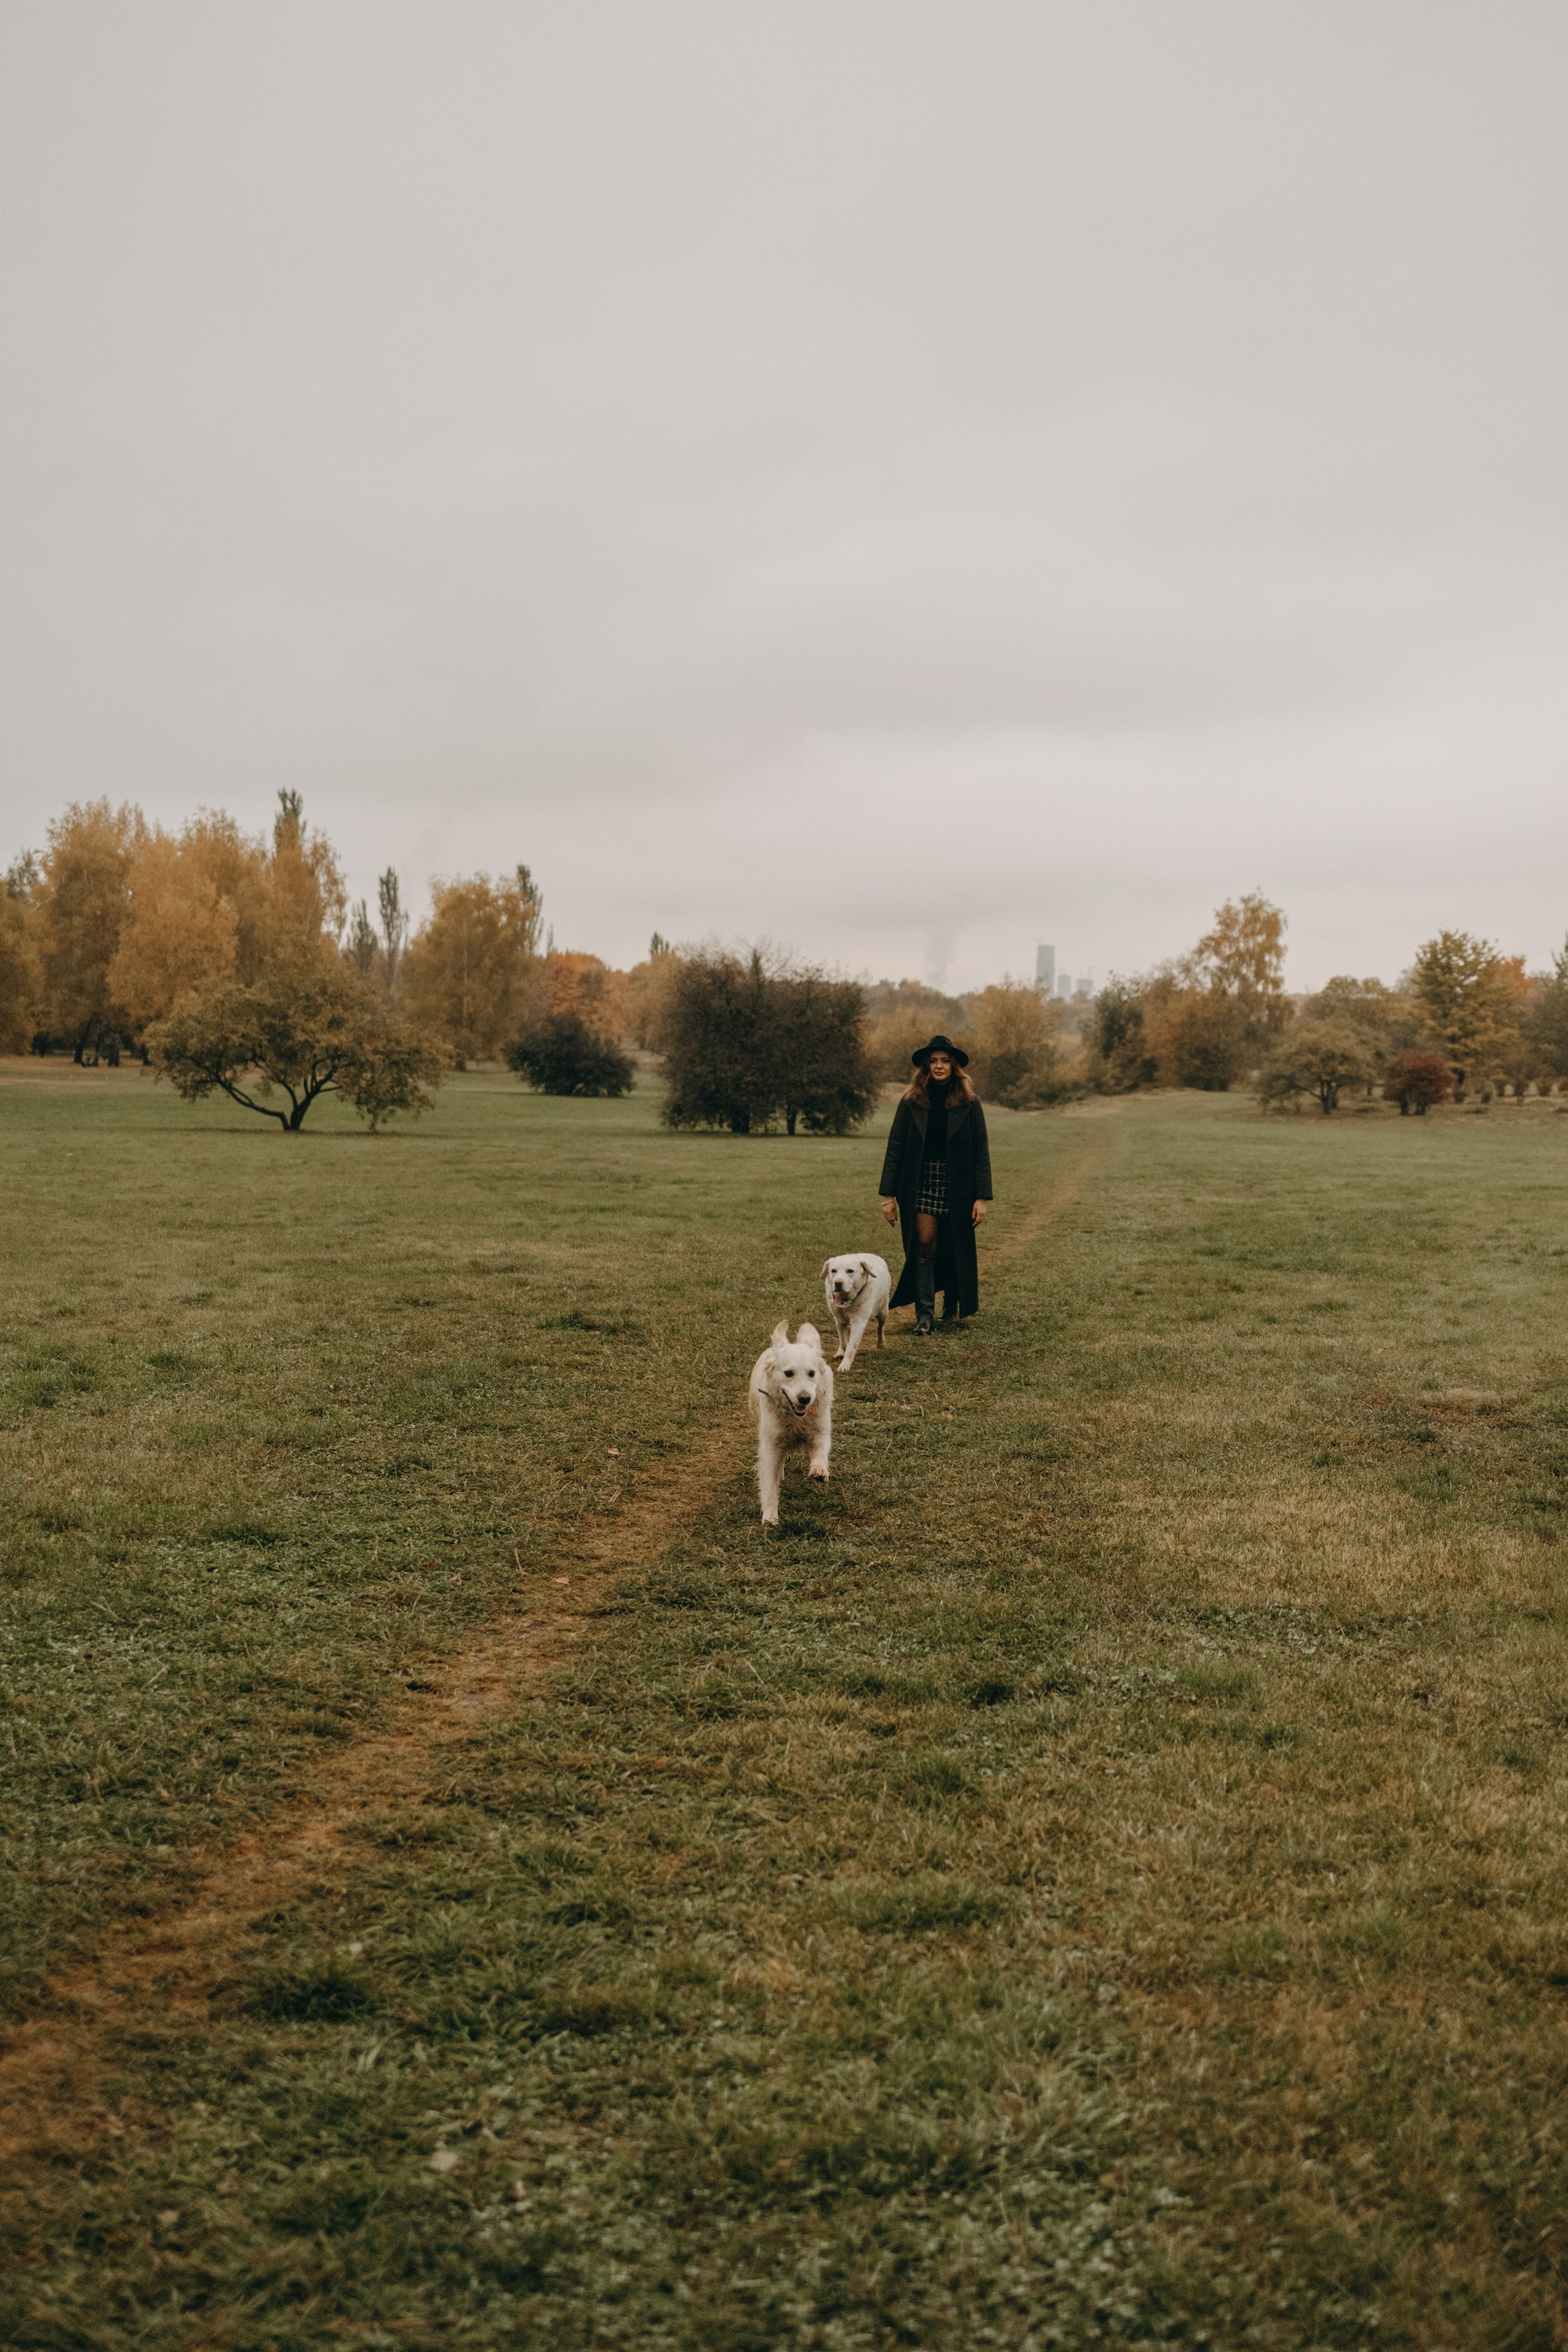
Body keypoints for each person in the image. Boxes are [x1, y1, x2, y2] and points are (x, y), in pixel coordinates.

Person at [878, 1035, 992, 1335]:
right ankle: (924, 1316)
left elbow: (981, 1151)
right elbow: (895, 1148)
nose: (939, 1066)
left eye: (944, 1061)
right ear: (926, 1067)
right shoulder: (911, 1102)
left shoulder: (969, 1103)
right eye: (933, 1061)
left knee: (955, 1244)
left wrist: (982, 1198)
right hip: (920, 1183)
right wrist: (888, 1195)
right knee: (925, 1243)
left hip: (959, 1185)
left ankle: (951, 1305)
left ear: (954, 1066)